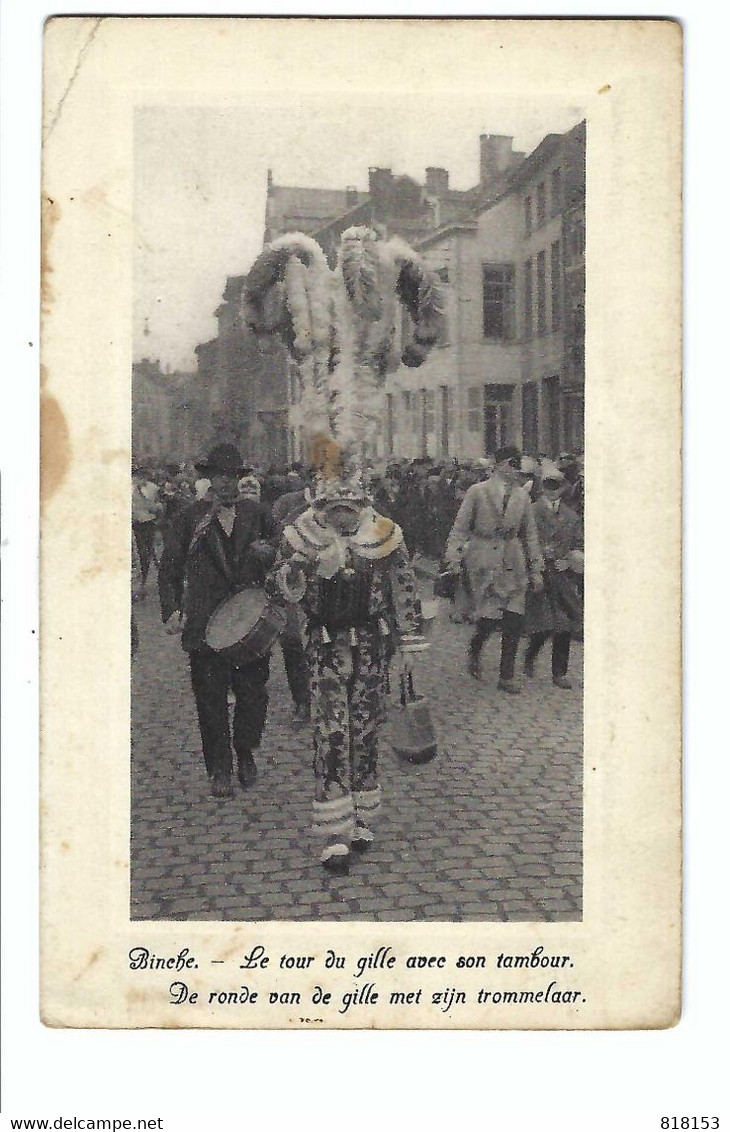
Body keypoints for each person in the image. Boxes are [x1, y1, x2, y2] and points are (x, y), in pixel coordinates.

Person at [267, 470, 427, 873]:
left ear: (363, 508)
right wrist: (298, 571)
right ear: (320, 509)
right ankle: (333, 832)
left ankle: (360, 816)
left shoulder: (386, 536)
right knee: (331, 731)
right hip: (325, 646)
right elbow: (277, 587)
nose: (342, 519)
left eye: (350, 510)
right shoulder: (301, 538)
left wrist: (409, 642)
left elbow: (405, 588)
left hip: (373, 645)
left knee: (366, 726)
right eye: (334, 510)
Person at [157, 443, 278, 799]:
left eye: (232, 477)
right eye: (219, 477)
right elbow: (169, 567)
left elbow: (281, 546)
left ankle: (244, 750)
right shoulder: (189, 517)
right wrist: (172, 609)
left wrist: (267, 551)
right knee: (210, 701)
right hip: (204, 623)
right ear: (209, 479)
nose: (226, 484)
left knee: (253, 697)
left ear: (241, 479)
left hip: (250, 621)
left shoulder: (257, 513)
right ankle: (220, 770)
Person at [445, 445, 544, 693]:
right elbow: (460, 527)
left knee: (514, 617)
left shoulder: (522, 496)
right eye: (511, 464)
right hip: (483, 558)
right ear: (499, 465)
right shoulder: (477, 492)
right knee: (488, 619)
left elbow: (530, 534)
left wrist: (536, 568)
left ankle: (506, 676)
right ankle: (476, 649)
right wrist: (453, 557)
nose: (515, 470)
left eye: (517, 465)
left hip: (513, 560)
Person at [522, 465, 584, 689]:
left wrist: (568, 559)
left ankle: (560, 672)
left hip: (561, 575)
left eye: (556, 486)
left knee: (564, 624)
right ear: (541, 486)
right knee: (545, 623)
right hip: (539, 573)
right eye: (547, 485)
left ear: (562, 488)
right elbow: (523, 540)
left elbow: (578, 543)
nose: (551, 490)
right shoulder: (530, 511)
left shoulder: (571, 516)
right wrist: (537, 557)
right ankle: (530, 656)